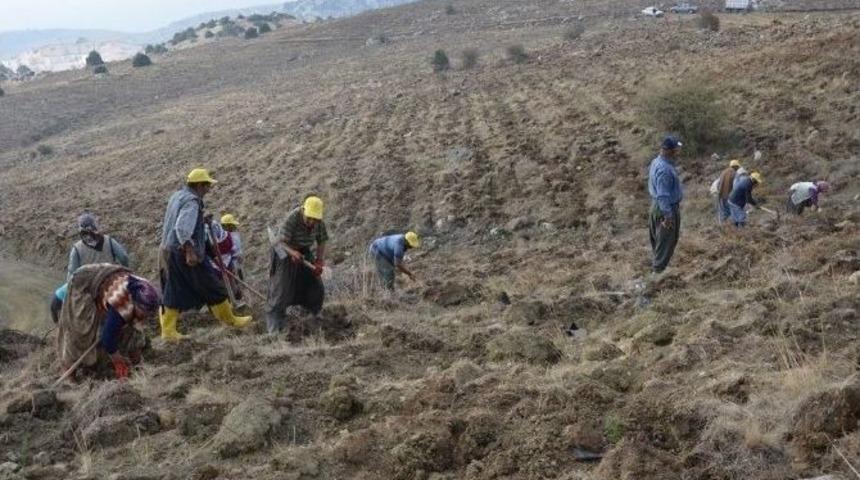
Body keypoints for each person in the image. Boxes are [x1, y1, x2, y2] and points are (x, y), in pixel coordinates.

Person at [159, 168, 251, 341]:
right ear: (199, 185)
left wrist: (201, 220)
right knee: (213, 286)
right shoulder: (192, 202)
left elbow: (181, 222)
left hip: (171, 251)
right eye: (207, 185)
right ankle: (230, 320)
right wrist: (190, 250)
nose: (209, 189)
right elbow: (182, 228)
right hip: (187, 254)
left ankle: (168, 331)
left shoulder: (178, 196)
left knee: (174, 290)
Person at [56, 263, 160, 380]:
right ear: (134, 302)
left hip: (109, 276)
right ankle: (69, 374)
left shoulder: (148, 292)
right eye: (142, 311)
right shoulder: (122, 303)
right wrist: (117, 359)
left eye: (148, 313)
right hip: (84, 282)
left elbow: (135, 326)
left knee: (131, 331)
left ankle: (137, 365)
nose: (145, 316)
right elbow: (107, 338)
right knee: (81, 331)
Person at [50, 213, 131, 323]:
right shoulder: (110, 241)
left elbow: (72, 276)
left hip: (87, 285)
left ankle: (59, 327)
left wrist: (74, 292)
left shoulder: (77, 249)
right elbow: (124, 258)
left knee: (55, 300)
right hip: (109, 281)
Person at [267, 196, 328, 334]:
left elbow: (322, 240)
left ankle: (312, 316)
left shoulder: (319, 223)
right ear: (304, 211)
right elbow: (280, 242)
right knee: (281, 289)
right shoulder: (293, 218)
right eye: (309, 218)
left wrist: (319, 260)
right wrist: (293, 252)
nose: (312, 222)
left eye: (315, 219)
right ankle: (274, 328)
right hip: (284, 249)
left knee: (316, 286)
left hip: (303, 250)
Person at [648, 136, 684, 274]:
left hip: (656, 206)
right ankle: (657, 277)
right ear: (670, 151)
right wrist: (668, 217)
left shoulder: (656, 162)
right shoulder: (665, 170)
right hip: (665, 209)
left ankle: (657, 270)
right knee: (665, 243)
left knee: (659, 243)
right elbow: (663, 195)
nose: (678, 151)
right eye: (676, 149)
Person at [66, 213, 130, 281]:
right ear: (95, 226)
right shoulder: (109, 240)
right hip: (111, 278)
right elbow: (123, 257)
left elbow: (72, 272)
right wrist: (124, 270)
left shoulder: (76, 248)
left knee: (60, 291)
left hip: (90, 284)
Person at [210, 213, 244, 301]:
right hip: (230, 261)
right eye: (232, 226)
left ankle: (236, 294)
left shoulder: (232, 236)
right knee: (231, 280)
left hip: (233, 261)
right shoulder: (225, 237)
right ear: (228, 226)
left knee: (235, 278)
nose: (234, 228)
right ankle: (234, 296)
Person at [712, 159, 742, 225]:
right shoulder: (735, 173)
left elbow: (719, 183)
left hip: (720, 195)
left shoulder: (724, 172)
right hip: (729, 196)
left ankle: (723, 226)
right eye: (737, 167)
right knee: (731, 212)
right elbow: (736, 187)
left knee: (723, 212)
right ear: (736, 166)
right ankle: (733, 227)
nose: (737, 169)